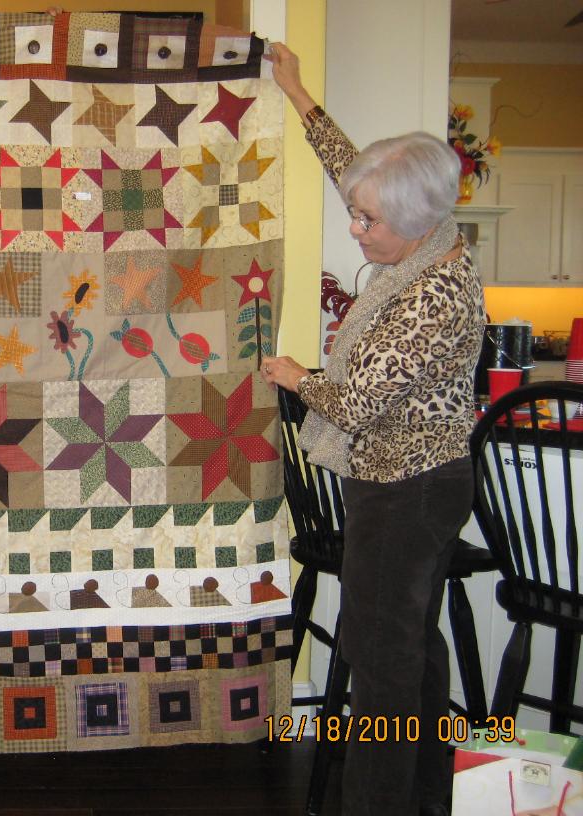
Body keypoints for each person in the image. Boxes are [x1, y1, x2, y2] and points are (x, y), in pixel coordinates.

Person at [260, 44, 485, 816]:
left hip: (407, 491)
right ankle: (427, 796)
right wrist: (297, 92)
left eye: (368, 220)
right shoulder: (421, 232)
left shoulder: (434, 295)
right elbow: (351, 168)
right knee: (409, 648)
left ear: (415, 224)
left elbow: (354, 404)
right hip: (411, 483)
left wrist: (296, 376)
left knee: (381, 663)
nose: (355, 229)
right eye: (355, 213)